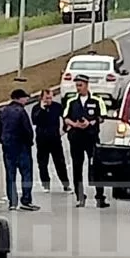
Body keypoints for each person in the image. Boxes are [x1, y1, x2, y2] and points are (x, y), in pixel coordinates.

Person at [62, 75, 110, 208]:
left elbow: (102, 117)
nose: (78, 88)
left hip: (91, 137)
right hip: (76, 138)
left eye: (80, 85)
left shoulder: (96, 100)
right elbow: (66, 118)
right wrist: (74, 124)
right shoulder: (71, 101)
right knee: (77, 167)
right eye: (77, 85)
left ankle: (100, 197)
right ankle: (80, 196)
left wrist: (90, 122)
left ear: (86, 85)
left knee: (96, 167)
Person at [0, 89, 40, 211]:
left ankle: (12, 202)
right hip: (22, 147)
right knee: (26, 174)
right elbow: (27, 130)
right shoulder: (21, 112)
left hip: (8, 147)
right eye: (25, 98)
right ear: (19, 98)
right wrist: (30, 142)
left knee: (10, 175)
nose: (26, 100)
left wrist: (3, 141)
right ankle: (26, 200)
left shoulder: (3, 111)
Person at [31, 89, 72, 193]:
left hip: (55, 139)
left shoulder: (57, 106)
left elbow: (65, 117)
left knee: (60, 162)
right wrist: (42, 109)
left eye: (50, 98)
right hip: (42, 139)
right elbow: (35, 120)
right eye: (46, 98)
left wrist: (64, 130)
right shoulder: (36, 108)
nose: (49, 100)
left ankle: (65, 184)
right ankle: (46, 185)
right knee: (43, 163)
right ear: (42, 98)